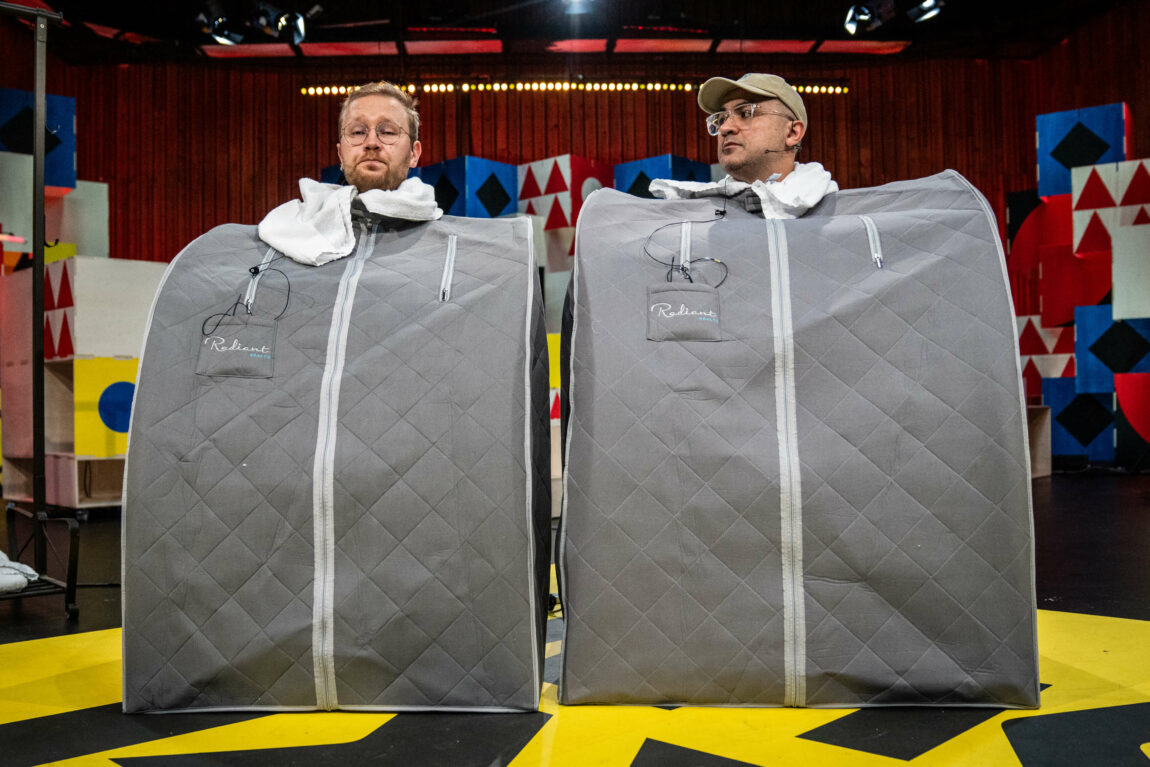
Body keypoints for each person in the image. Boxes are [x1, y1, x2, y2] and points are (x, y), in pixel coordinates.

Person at [258, 81, 440, 266]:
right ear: (341, 155)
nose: (371, 142)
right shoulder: (283, 233)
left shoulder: (449, 245)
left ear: (414, 154)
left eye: (388, 131)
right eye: (358, 132)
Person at [649, 72, 838, 217]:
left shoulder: (841, 214)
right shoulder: (695, 217)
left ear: (792, 133)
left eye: (746, 113)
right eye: (721, 118)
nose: (725, 128)